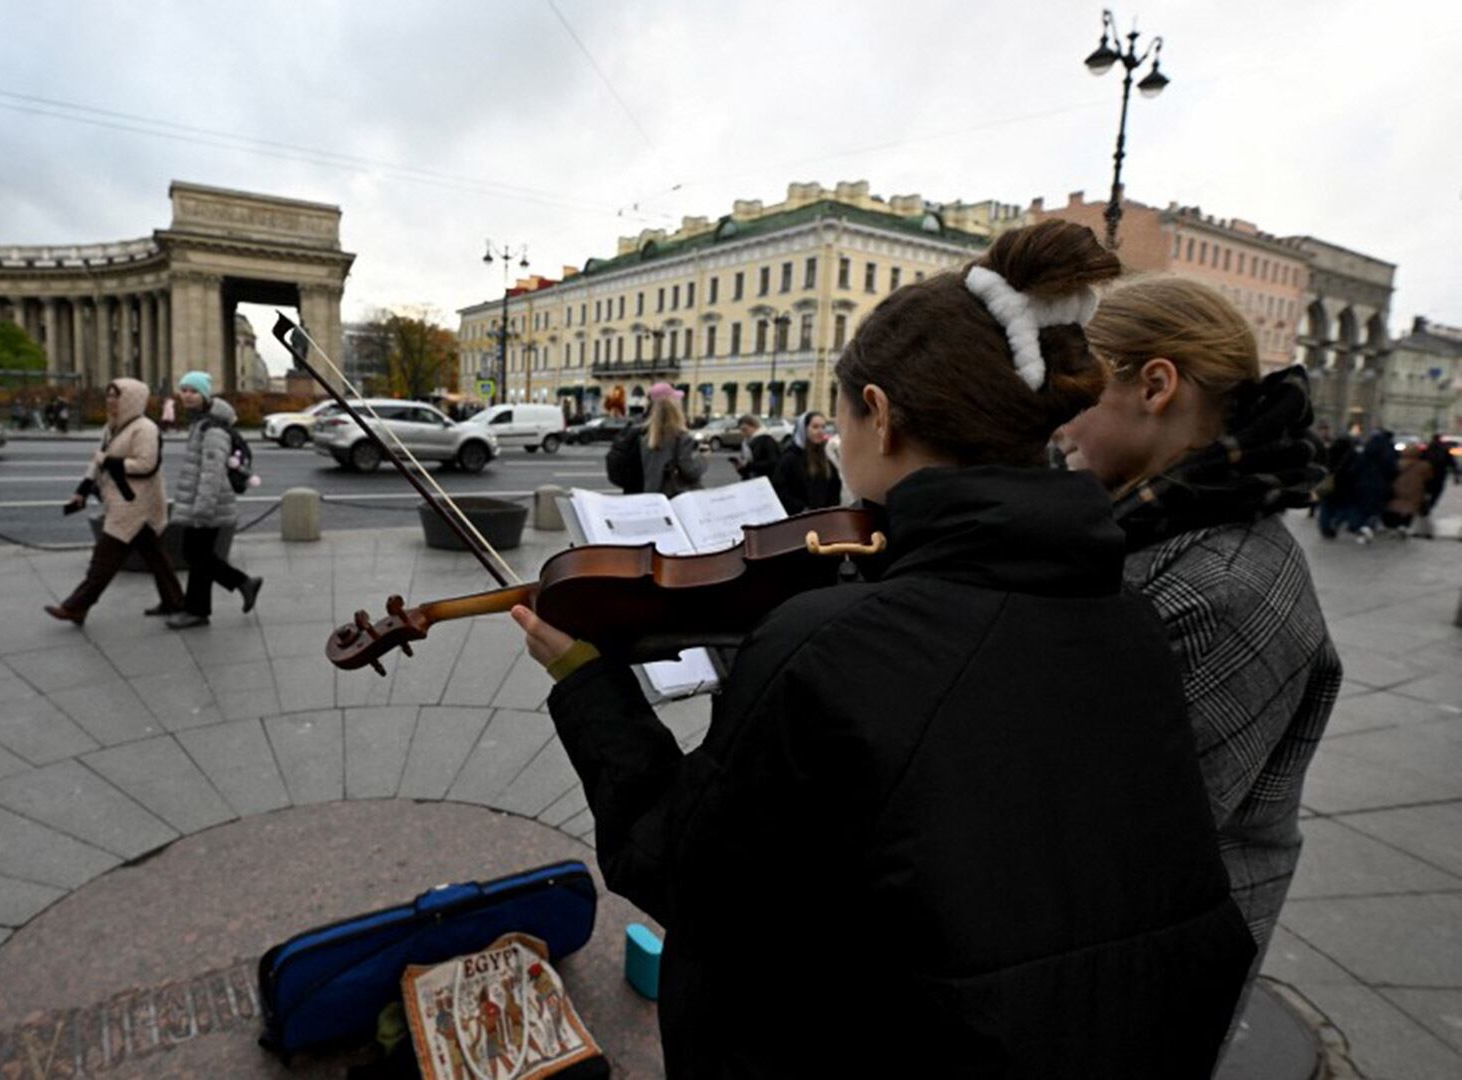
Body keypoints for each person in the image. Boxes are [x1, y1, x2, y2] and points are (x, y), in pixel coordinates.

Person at [510, 220, 1251, 1078]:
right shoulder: (1128, 616)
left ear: (882, 417)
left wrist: (587, 684)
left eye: (843, 411)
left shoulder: (828, 648)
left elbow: (679, 873)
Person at [1057, 276, 1343, 1014]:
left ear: (1154, 385)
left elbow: (1114, 837)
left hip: (1142, 970)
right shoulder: (1161, 528)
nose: (1056, 424)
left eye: (1070, 392)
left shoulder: (1219, 583)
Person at [44, 378, 186, 626]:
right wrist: (83, 490)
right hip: (121, 500)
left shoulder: (145, 428)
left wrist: (110, 462)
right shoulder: (112, 427)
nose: (110, 400)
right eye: (108, 395)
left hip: (136, 503)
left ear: (131, 399)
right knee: (156, 557)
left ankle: (76, 606)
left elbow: (146, 465)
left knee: (104, 558)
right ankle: (175, 601)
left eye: (116, 396)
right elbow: (97, 460)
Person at [165, 370, 261, 629]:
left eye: (193, 391)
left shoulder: (212, 429)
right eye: (184, 389)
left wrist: (202, 510)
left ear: (206, 396)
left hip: (208, 505)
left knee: (195, 555)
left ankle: (238, 585)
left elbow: (212, 473)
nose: (187, 395)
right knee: (199, 556)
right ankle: (199, 608)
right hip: (204, 503)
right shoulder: (201, 423)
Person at [769, 410, 841, 513]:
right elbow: (781, 491)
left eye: (823, 427)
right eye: (815, 427)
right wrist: (802, 509)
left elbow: (834, 488)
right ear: (804, 429)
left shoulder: (825, 458)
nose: (820, 431)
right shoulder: (789, 458)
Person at [637, 384, 703, 495]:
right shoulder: (681, 438)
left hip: (652, 497)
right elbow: (691, 471)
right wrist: (703, 459)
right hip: (676, 499)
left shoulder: (645, 438)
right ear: (675, 410)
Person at [727, 414, 778, 480]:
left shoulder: (767, 440)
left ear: (754, 426)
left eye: (745, 430)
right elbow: (746, 465)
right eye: (741, 430)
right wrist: (740, 468)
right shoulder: (745, 443)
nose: (743, 433)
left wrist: (749, 466)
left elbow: (773, 463)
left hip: (764, 480)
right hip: (750, 479)